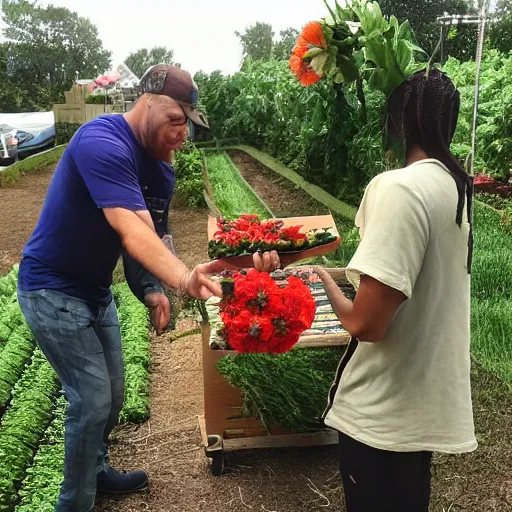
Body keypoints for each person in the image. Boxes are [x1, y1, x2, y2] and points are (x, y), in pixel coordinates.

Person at [16, 63, 279, 512]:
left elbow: (151, 235)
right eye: (176, 119)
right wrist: (181, 279)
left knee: (114, 394)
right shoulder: (101, 141)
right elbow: (131, 232)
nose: (181, 133)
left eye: (188, 125)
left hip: (96, 292)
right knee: (91, 398)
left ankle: (94, 472)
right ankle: (73, 503)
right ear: (148, 102)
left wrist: (153, 286)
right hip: (51, 289)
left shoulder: (161, 170)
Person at [315, 68, 477, 511]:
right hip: (415, 412)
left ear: (401, 125)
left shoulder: (401, 188)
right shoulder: (453, 186)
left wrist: (326, 282)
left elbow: (367, 324)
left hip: (380, 414)